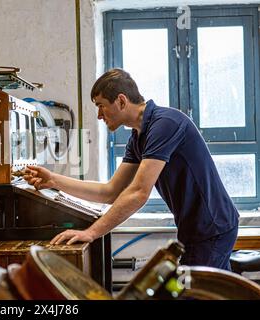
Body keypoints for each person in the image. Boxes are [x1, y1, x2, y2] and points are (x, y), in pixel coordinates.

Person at [24, 68, 239, 271]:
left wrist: (91, 233)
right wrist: (53, 180)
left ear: (121, 100)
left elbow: (138, 193)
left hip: (213, 228)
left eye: (101, 105)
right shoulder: (138, 138)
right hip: (196, 229)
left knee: (197, 293)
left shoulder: (165, 124)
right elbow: (110, 192)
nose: (99, 115)